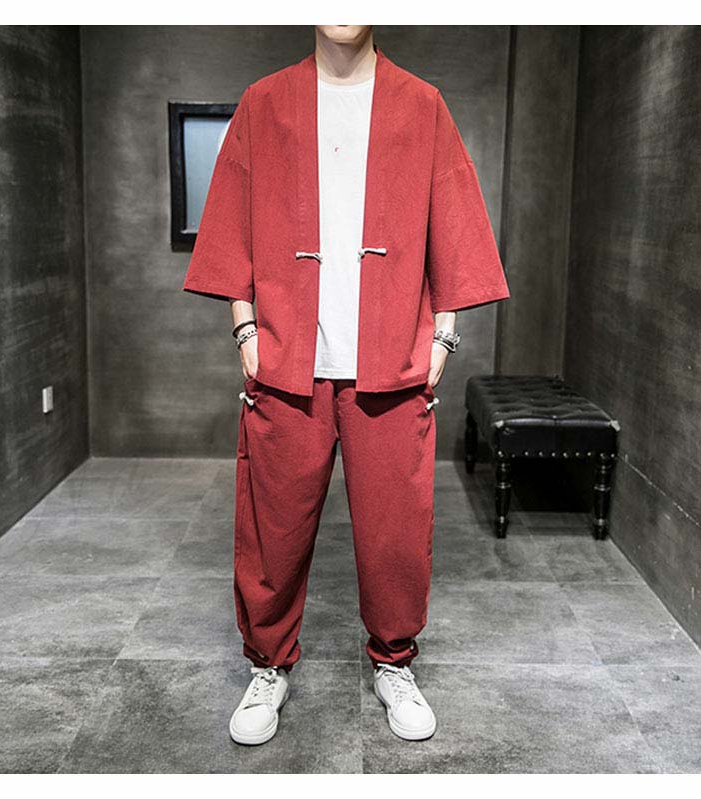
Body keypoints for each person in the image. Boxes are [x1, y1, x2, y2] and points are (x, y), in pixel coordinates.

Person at [182, 25, 510, 745]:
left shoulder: (421, 103)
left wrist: (443, 337)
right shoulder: (265, 101)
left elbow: (451, 220)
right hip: (286, 356)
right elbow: (231, 219)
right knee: (272, 528)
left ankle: (395, 662)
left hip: (390, 358)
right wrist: (246, 329)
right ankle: (268, 665)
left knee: (396, 531)